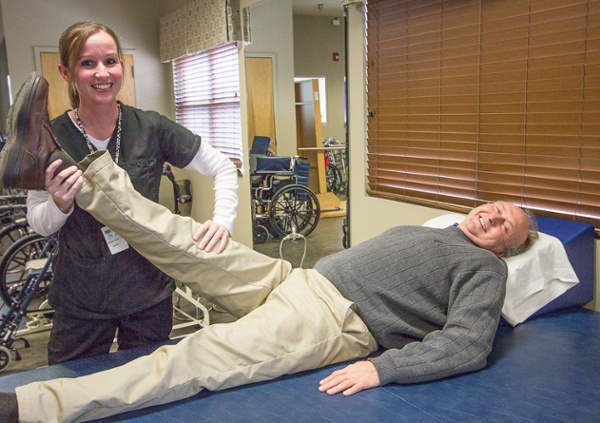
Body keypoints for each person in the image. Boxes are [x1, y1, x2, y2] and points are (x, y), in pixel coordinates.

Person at [0, 70, 537, 423]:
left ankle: (28, 407)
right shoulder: (436, 230)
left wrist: (385, 369)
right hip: (299, 280)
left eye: (504, 226)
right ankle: (58, 164)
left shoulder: (484, 271)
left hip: (334, 323)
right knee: (175, 234)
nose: (492, 217)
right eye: (495, 207)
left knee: (194, 357)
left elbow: (469, 344)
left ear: (504, 250)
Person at [24, 22, 239, 365]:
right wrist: (60, 203)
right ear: (66, 72)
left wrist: (223, 222)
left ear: (122, 66)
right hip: (82, 299)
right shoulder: (50, 138)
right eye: (87, 63)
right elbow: (38, 223)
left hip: (146, 293)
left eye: (111, 61)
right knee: (70, 394)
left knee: (147, 391)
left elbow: (224, 168)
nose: (102, 73)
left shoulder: (150, 127)